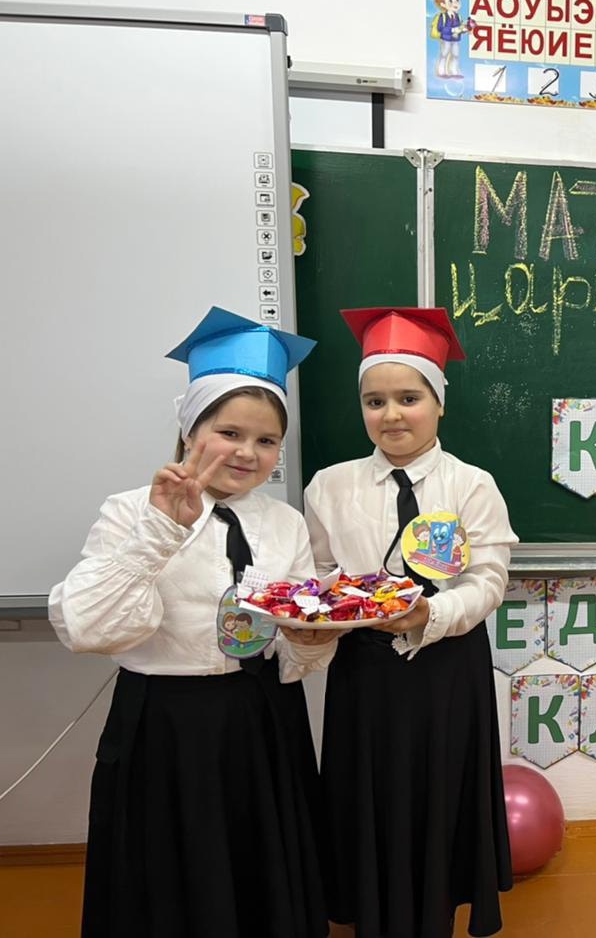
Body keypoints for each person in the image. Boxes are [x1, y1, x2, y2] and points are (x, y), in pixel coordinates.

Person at [49, 307, 338, 938]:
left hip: (263, 719)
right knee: (172, 877)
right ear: (190, 429)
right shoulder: (132, 511)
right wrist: (161, 531)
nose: (247, 453)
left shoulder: (284, 523)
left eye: (266, 441)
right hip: (166, 722)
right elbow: (89, 629)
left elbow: (292, 649)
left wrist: (310, 640)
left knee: (261, 875)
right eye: (229, 432)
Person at [305, 306, 518, 938]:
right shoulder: (329, 486)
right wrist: (334, 606)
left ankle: (434, 909)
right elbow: (318, 573)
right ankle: (373, 908)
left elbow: (489, 580)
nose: (391, 415)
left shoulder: (472, 485)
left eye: (409, 398)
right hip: (364, 671)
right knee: (367, 790)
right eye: (374, 401)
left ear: (439, 403)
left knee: (440, 788)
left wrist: (432, 613)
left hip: (447, 666)